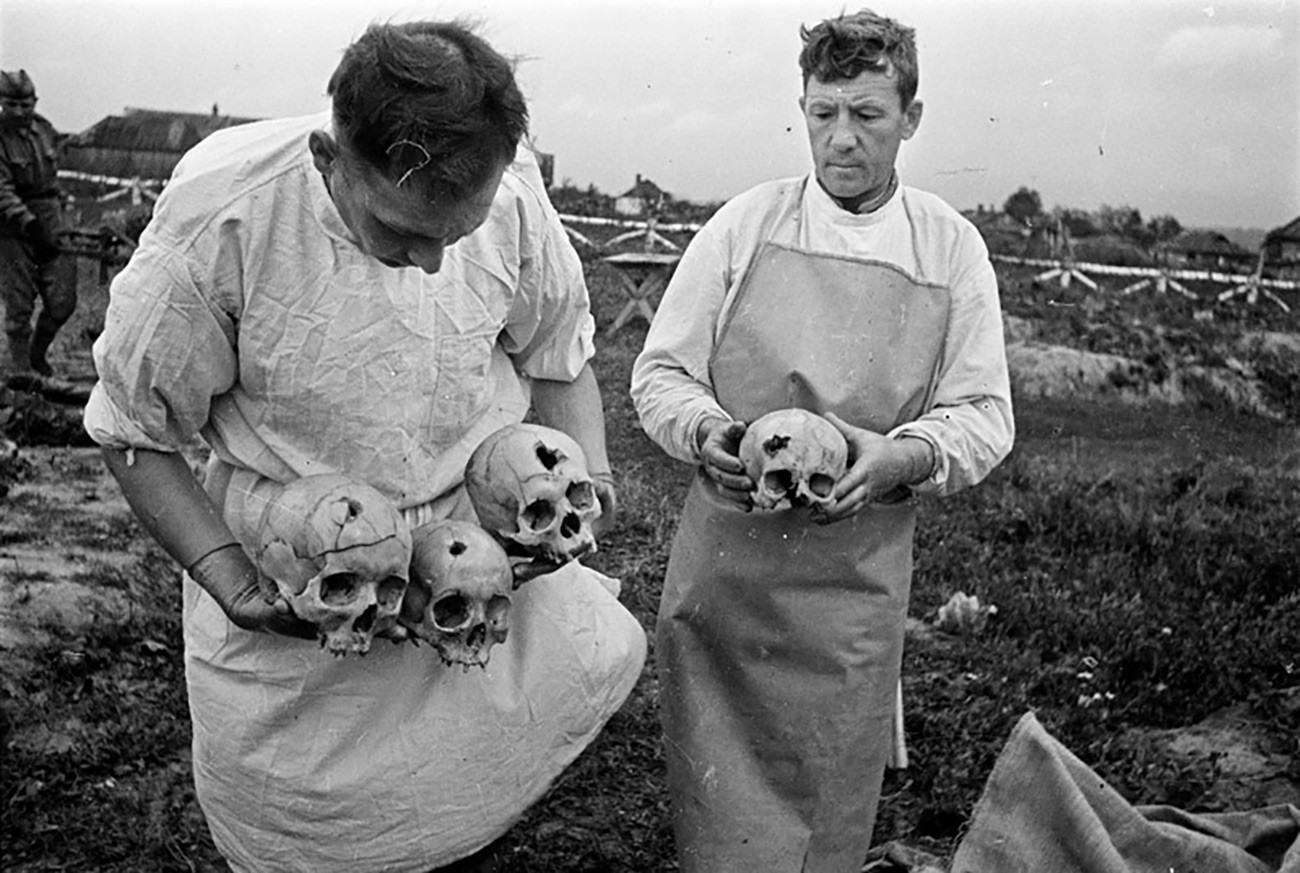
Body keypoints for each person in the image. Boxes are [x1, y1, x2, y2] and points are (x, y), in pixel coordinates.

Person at [84, 20, 646, 873]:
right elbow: (133, 429)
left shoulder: (513, 196)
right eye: (399, 230)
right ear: (327, 156)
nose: (429, 264)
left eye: (454, 236)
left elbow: (558, 356)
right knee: (305, 843)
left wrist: (585, 484)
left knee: (464, 815)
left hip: (467, 566)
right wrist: (230, 581)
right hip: (306, 583)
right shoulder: (226, 218)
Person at [631, 8, 1014, 872]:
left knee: (826, 813)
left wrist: (898, 457)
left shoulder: (950, 251)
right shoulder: (744, 226)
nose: (842, 140)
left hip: (852, 583)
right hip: (730, 574)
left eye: (868, 116)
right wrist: (710, 431)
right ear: (803, 109)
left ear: (911, 118)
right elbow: (659, 375)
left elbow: (984, 415)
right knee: (718, 809)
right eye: (823, 113)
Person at [0, 68, 72, 379]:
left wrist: (54, 218)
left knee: (63, 300)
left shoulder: (44, 130)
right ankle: (19, 376)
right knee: (19, 308)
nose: (19, 111)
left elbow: (53, 177)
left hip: (51, 220)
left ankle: (36, 356)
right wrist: (29, 224)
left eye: (25, 104)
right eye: (11, 104)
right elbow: (1, 190)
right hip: (12, 229)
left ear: (35, 102)